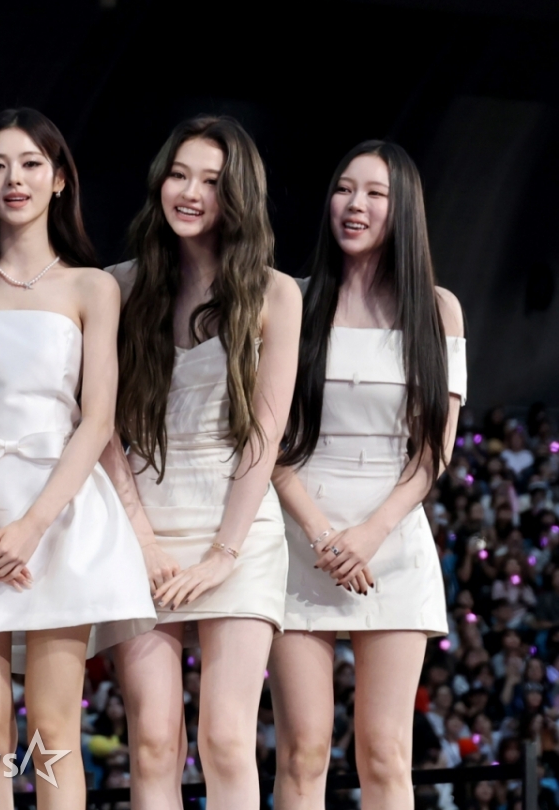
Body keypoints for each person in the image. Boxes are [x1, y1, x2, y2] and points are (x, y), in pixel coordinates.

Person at [0, 108, 154, 808]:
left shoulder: (92, 287)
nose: (13, 179)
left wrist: (31, 527)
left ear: (59, 179)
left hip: (59, 515)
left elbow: (98, 420)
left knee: (54, 732)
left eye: (30, 164)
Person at [101, 116, 301, 809]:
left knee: (225, 739)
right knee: (154, 743)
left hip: (238, 529)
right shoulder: (119, 287)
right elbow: (102, 429)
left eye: (211, 181)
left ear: (237, 195)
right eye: (179, 175)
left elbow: (264, 436)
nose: (189, 193)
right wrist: (143, 540)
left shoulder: (276, 293)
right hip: (142, 527)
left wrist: (223, 553)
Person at [268, 140, 466, 809]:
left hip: (393, 542)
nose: (355, 205)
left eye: (375, 193)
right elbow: (269, 441)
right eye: (344, 189)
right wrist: (324, 535)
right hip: (301, 537)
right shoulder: (292, 299)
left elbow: (434, 451)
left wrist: (371, 533)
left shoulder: (438, 309)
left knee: (385, 753)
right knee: (302, 753)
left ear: (402, 207)